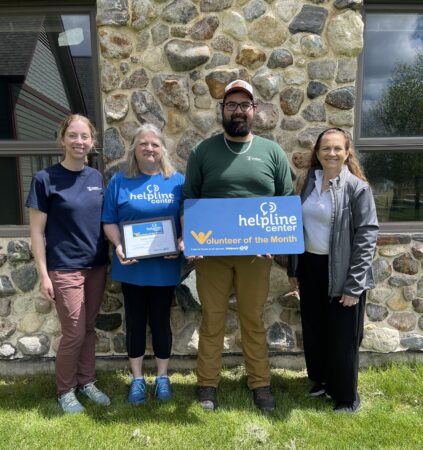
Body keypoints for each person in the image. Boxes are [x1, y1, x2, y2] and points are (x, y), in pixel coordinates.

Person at [183, 79, 294, 412]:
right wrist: (192, 240)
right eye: (231, 104)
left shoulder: (271, 152)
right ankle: (207, 385)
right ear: (222, 110)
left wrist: (275, 241)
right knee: (212, 320)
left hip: (255, 256)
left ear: (255, 110)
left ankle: (260, 384)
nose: (238, 110)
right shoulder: (202, 151)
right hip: (212, 255)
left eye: (244, 104)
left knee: (252, 320)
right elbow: (190, 199)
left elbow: (285, 201)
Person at [288, 127, 379, 413]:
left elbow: (366, 237)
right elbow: (296, 228)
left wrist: (355, 285)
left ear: (347, 152)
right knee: (315, 329)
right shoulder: (309, 184)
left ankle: (347, 396)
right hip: (311, 266)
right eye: (326, 148)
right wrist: (294, 269)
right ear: (317, 152)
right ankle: (321, 381)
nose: (331, 153)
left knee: (343, 336)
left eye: (337, 148)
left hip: (343, 269)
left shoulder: (357, 188)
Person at [26, 114, 110, 414]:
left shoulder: (96, 178)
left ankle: (86, 381)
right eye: (72, 135)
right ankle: (65, 390)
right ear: (62, 139)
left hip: (97, 266)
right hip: (64, 267)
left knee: (88, 328)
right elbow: (36, 231)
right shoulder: (45, 179)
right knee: (73, 332)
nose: (79, 141)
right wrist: (43, 274)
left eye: (84, 136)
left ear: (92, 141)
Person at [102, 123, 184, 405]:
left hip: (165, 268)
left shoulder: (177, 182)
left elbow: (190, 219)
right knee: (136, 323)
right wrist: (119, 245)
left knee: (161, 323)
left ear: (163, 149)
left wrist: (182, 241)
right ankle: (137, 379)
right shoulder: (120, 181)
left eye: (155, 144)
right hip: (132, 267)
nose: (149, 149)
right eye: (143, 144)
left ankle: (162, 377)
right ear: (134, 150)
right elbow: (109, 221)